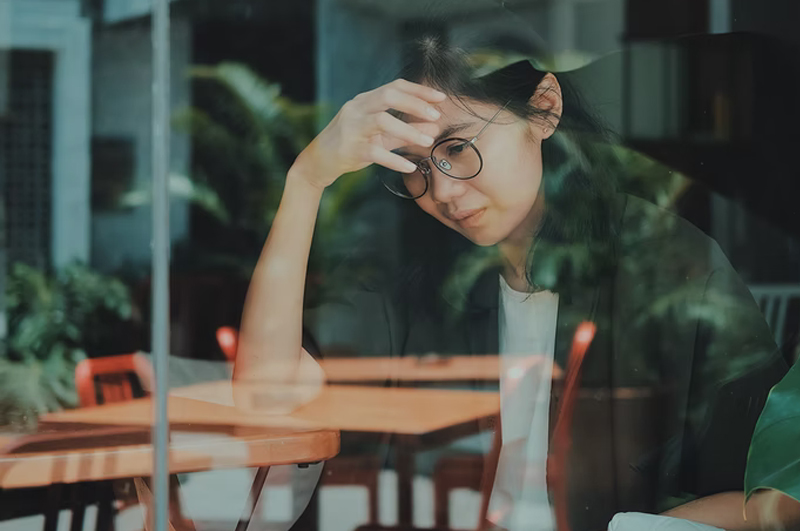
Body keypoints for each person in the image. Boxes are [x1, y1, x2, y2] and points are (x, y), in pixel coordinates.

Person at [233, 37, 798, 530]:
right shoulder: (410, 273)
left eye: (457, 148)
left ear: (543, 109)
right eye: (415, 168)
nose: (444, 192)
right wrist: (306, 180)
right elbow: (265, 396)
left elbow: (775, 496)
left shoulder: (669, 263)